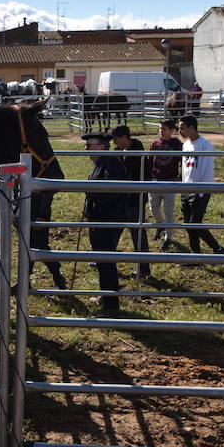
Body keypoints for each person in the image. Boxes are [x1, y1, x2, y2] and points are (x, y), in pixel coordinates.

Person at [82, 132, 129, 314]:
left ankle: (111, 304)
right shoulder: (102, 163)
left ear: (101, 147)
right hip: (100, 219)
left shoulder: (111, 164)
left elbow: (111, 192)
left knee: (106, 260)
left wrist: (92, 195)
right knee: (102, 259)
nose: (86, 149)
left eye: (89, 145)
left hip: (108, 219)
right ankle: (106, 295)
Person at [179, 115, 224, 258]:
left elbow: (207, 170)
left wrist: (203, 190)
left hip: (200, 190)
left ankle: (216, 248)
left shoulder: (205, 145)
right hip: (186, 189)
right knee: (189, 225)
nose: (180, 131)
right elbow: (185, 169)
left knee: (195, 223)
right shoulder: (185, 145)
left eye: (182, 128)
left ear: (191, 127)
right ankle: (197, 254)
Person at [111, 125, 151, 278]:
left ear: (123, 137)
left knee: (138, 233)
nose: (114, 143)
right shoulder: (118, 152)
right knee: (113, 230)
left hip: (134, 199)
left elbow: (143, 176)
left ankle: (144, 268)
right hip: (121, 199)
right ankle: (105, 259)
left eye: (115, 139)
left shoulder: (139, 154)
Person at [149, 119, 182, 251]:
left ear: (171, 130)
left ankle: (168, 237)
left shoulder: (176, 144)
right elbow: (149, 160)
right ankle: (160, 225)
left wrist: (180, 177)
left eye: (164, 129)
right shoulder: (155, 143)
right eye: (160, 128)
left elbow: (183, 160)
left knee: (168, 210)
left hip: (170, 181)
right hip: (155, 180)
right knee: (153, 208)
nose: (161, 131)